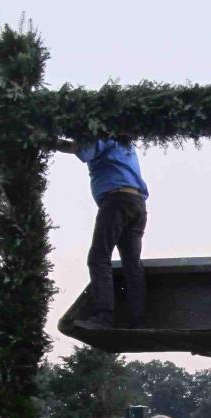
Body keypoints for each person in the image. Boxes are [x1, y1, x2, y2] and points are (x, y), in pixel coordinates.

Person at [56, 137, 149, 330]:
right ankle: (138, 320)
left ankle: (103, 318)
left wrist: (46, 141)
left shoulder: (104, 135)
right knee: (132, 264)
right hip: (137, 204)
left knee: (98, 258)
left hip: (116, 200)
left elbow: (77, 147)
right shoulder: (125, 143)